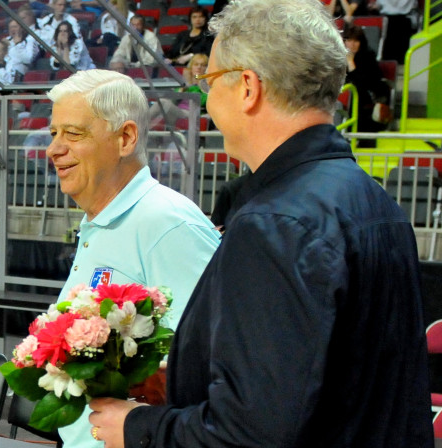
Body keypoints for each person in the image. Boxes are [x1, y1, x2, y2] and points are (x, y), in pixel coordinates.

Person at [88, 1, 433, 447]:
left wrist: (136, 427)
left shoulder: (275, 223)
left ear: (248, 87)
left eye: (209, 81)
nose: (206, 98)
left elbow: (251, 432)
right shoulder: (375, 200)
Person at [46, 69, 220, 448]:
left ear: (125, 138)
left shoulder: (166, 224)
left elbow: (211, 367)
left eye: (73, 134)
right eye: (53, 133)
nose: (54, 149)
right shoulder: (102, 219)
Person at [343, 25, 391, 139]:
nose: (352, 44)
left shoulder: (368, 57)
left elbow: (364, 83)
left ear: (361, 42)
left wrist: (351, 63)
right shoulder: (337, 58)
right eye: (349, 40)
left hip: (365, 96)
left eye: (356, 41)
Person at [148, 53, 209, 129]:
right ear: (191, 67)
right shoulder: (185, 81)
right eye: (196, 64)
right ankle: (144, 125)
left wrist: (192, 87)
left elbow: (204, 101)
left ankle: (143, 126)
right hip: (178, 111)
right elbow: (174, 99)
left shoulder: (207, 83)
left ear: (207, 68)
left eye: (203, 65)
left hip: (192, 113)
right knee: (162, 104)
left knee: (163, 103)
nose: (199, 67)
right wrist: (183, 88)